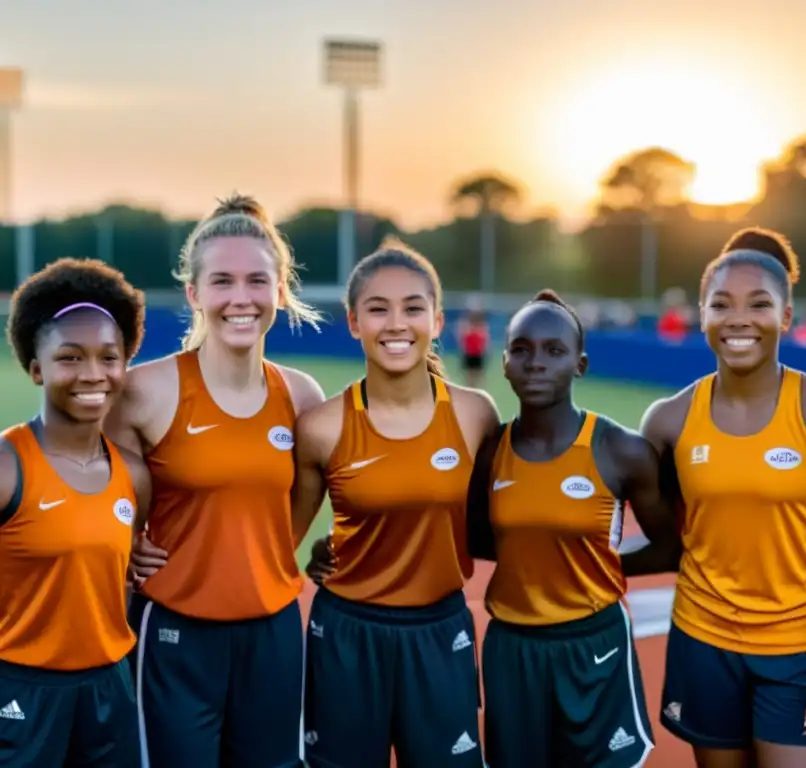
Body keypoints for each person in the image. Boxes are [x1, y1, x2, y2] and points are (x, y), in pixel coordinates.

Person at [639, 227, 806, 768]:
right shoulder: (669, 420)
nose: (738, 318)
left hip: (798, 649)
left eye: (759, 304)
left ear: (787, 317)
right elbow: (659, 533)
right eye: (721, 304)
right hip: (702, 642)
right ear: (701, 315)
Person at [104, 194, 326, 768]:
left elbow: (302, 505)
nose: (240, 298)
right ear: (194, 294)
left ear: (279, 290)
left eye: (257, 280)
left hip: (273, 633)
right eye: (222, 281)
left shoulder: (302, 398)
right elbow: (96, 493)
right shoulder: (141, 392)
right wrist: (125, 548)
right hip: (175, 635)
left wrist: (267, 555)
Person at [291, 237, 501, 767]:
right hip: (346, 633)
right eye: (377, 309)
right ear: (354, 322)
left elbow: (496, 523)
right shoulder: (322, 427)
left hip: (440, 631)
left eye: (413, 308)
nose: (396, 324)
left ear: (437, 320)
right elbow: (282, 536)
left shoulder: (476, 416)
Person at [464, 289, 679, 768]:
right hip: (512, 648)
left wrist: (595, 566)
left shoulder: (621, 450)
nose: (536, 362)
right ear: (502, 362)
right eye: (521, 349)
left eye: (554, 350)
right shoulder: (489, 450)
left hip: (594, 644)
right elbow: (478, 541)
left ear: (580, 364)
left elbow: (670, 550)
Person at [0, 258, 150, 767]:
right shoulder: (6, 466)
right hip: (21, 689)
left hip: (110, 684)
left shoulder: (134, 474)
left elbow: (122, 568)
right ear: (36, 367)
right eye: (70, 358)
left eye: (109, 357)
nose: (93, 374)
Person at [456, 300, 490, 389]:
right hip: (470, 354)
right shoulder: (465, 324)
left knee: (479, 377)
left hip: (478, 354)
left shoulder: (481, 325)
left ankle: (479, 394)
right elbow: (462, 338)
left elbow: (484, 340)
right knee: (469, 378)